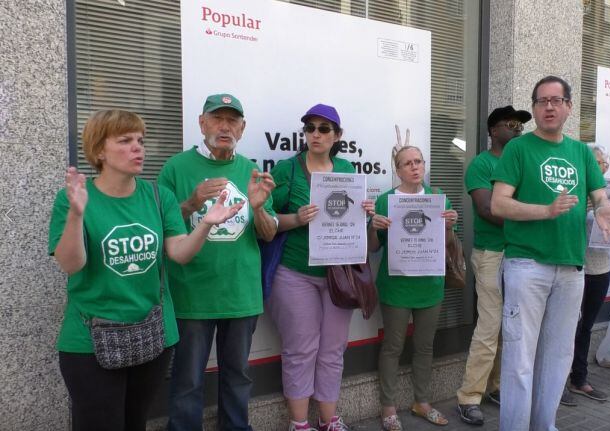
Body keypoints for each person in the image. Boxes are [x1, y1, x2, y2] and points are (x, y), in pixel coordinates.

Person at [49, 109, 243, 431]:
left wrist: (206, 225)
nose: (138, 147)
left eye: (140, 140)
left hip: (151, 335)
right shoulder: (72, 200)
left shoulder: (158, 196)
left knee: (135, 422)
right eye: (125, 141)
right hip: (90, 340)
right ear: (99, 151)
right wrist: (76, 215)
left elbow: (179, 253)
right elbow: (72, 264)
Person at [490, 75, 610, 431]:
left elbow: (599, 197)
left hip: (571, 268)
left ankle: (544, 424)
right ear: (534, 108)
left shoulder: (581, 152)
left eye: (555, 100)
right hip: (526, 264)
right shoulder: (519, 149)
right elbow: (499, 204)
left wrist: (607, 210)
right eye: (541, 101)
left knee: (558, 355)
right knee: (520, 356)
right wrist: (545, 211)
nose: (548, 107)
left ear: (568, 106)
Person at [161, 94, 278, 431]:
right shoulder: (176, 168)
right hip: (191, 294)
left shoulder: (250, 170)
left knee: (238, 377)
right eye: (217, 119)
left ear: (242, 129)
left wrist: (257, 208)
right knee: (187, 379)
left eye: (232, 121)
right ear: (202, 123)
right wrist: (191, 202)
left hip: (240, 295)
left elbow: (268, 234)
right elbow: (160, 223)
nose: (224, 127)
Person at [269, 104, 373, 431]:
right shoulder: (287, 170)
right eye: (310, 128)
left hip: (338, 275)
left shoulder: (346, 168)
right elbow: (266, 224)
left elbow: (354, 224)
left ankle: (328, 420)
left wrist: (365, 213)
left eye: (324, 129)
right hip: (294, 272)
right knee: (301, 349)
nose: (316, 134)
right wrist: (295, 218)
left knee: (332, 350)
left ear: (337, 136)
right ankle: (299, 424)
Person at [369, 145, 458, 431]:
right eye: (407, 163)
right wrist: (373, 227)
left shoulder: (437, 199)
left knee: (425, 347)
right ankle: (389, 408)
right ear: (397, 170)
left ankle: (422, 402)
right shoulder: (386, 201)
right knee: (392, 347)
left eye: (418, 161)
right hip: (396, 286)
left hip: (430, 285)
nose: (414, 167)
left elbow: (445, 247)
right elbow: (372, 249)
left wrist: (449, 226)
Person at [456, 105, 531, 425]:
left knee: (510, 327)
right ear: (492, 131)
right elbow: (488, 208)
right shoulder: (481, 164)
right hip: (491, 255)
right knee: (489, 328)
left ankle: (496, 386)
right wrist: (534, 218)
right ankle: (468, 396)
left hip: (520, 254)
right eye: (510, 124)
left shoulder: (521, 162)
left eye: (520, 125)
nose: (517, 129)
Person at [560, 144, 610, 406]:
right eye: (596, 162)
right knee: (566, 329)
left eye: (603, 162)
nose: (601, 166)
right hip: (574, 268)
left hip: (601, 269)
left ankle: (579, 378)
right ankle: (557, 383)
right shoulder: (573, 191)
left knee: (586, 327)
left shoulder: (609, 194)